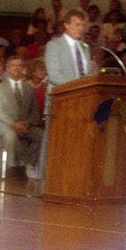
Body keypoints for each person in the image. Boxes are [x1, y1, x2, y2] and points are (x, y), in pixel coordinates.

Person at [40, 9, 90, 177]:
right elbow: (54, 75)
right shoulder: (54, 45)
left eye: (83, 25)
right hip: (60, 101)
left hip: (81, 102)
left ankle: (70, 178)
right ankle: (46, 181)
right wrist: (78, 88)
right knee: (54, 144)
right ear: (66, 25)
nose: (81, 28)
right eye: (77, 24)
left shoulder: (85, 47)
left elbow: (87, 74)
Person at [0, 55, 43, 179]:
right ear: (7, 69)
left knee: (43, 135)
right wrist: (14, 123)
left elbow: (35, 113)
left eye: (19, 65)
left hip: (26, 125)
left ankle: (26, 163)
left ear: (22, 68)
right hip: (6, 124)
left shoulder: (30, 89)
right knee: (10, 134)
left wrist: (27, 123)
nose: (16, 68)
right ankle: (12, 166)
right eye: (13, 65)